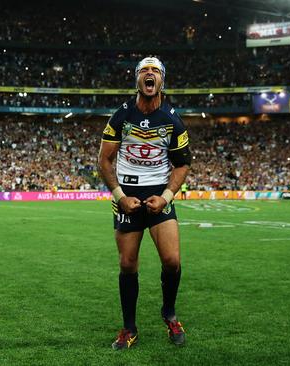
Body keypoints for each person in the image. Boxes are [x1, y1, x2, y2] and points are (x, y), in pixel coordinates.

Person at [97, 57, 191, 350]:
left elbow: (183, 164)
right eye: (143, 71)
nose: (149, 75)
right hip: (127, 196)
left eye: (155, 71)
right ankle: (128, 327)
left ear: (162, 80)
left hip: (159, 196)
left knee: (172, 261)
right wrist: (119, 197)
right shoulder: (120, 116)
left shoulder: (173, 119)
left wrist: (165, 198)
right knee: (128, 264)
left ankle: (170, 313)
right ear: (137, 79)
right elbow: (104, 159)